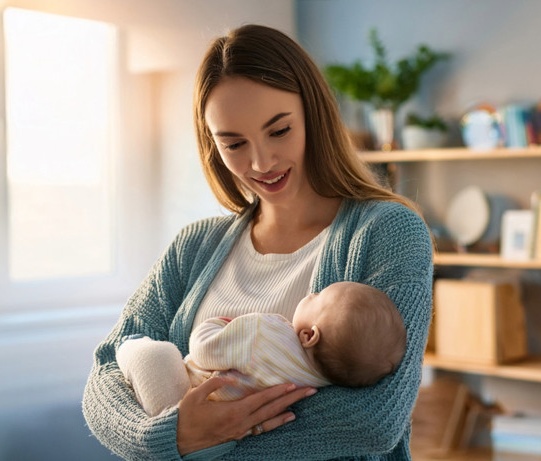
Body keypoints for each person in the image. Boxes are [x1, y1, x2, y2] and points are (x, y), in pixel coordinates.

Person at [82, 24, 433, 460]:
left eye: (279, 131)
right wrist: (168, 436)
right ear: (212, 145)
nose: (261, 162)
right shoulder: (194, 247)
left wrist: (213, 442)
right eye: (233, 143)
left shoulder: (387, 232)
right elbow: (109, 368)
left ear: (312, 113)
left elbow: (374, 419)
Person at [116, 281, 407, 417]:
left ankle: (130, 348)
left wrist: (216, 324)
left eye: (318, 295)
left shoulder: (265, 333)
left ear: (308, 335)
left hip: (179, 395)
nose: (311, 292)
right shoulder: (315, 384)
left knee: (156, 353)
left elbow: (202, 350)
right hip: (221, 433)